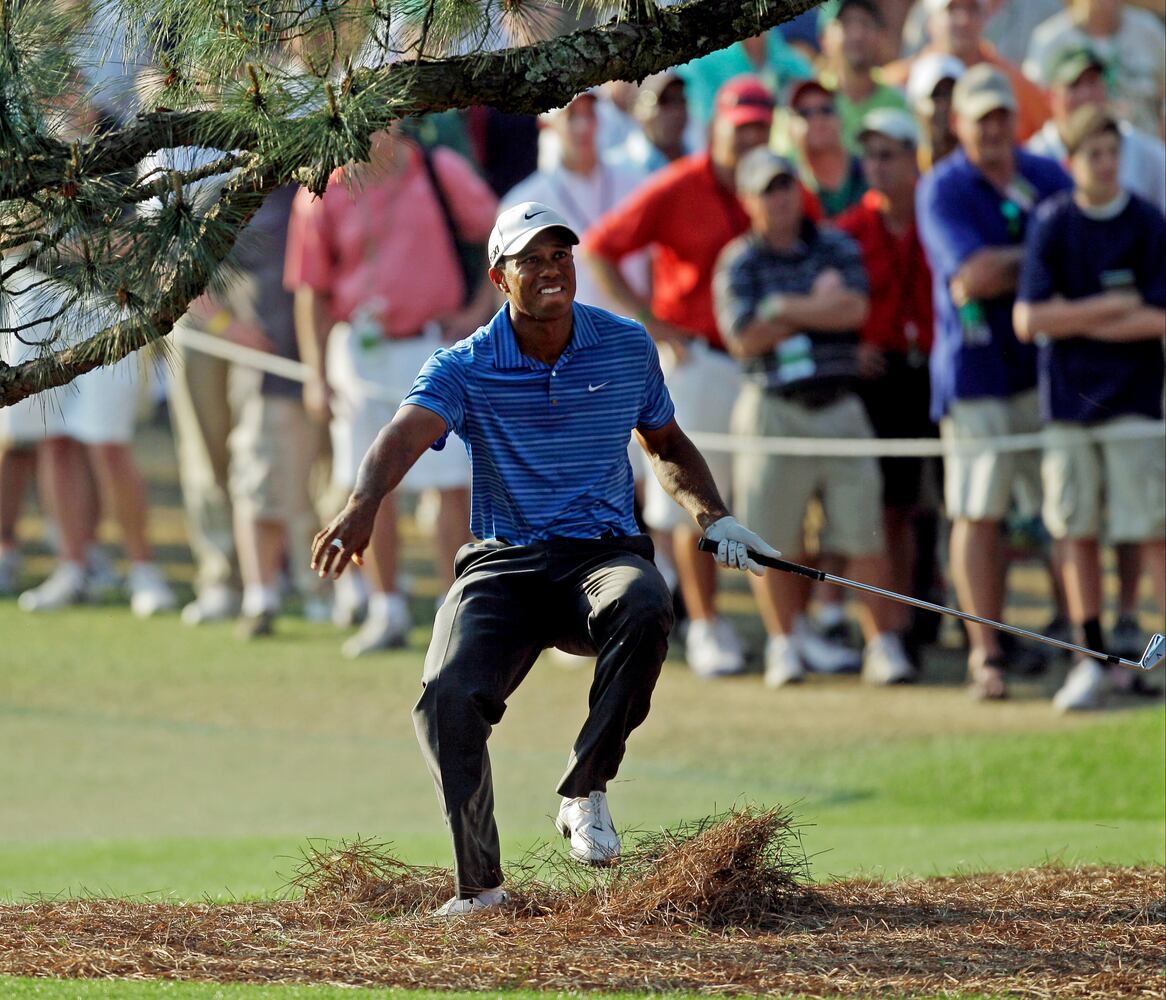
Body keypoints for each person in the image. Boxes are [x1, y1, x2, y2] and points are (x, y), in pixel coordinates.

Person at [310, 202, 778, 916]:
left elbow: (666, 444)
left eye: (561, 255)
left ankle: (585, 788)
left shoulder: (624, 344)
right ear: (500, 278)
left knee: (646, 600)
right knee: (445, 700)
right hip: (506, 564)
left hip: (601, 556)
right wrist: (362, 503)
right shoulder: (465, 365)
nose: (551, 269)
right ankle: (481, 889)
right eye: (531, 260)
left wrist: (715, 518)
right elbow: (402, 435)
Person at [582, 77, 834, 679]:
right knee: (692, 504)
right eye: (739, 127)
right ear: (716, 126)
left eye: (759, 127)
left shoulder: (780, 185)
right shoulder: (679, 183)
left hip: (769, 363)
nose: (748, 138)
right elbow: (599, 247)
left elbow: (817, 243)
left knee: (773, 497)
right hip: (698, 360)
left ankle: (789, 631)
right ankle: (706, 625)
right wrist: (650, 323)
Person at [285, 127, 499, 657]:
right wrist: (315, 375)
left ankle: (458, 610)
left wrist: (478, 311)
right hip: (359, 352)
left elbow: (500, 239)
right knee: (370, 487)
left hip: (433, 346)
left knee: (450, 486)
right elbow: (311, 290)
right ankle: (387, 608)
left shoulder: (438, 169)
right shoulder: (322, 188)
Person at [714, 148, 915, 688]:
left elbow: (854, 310)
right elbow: (744, 338)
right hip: (772, 409)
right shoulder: (738, 261)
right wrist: (808, 306)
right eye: (768, 190)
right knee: (769, 536)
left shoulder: (835, 244)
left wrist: (779, 308)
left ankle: (882, 643)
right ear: (748, 200)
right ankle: (784, 643)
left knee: (864, 532)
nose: (781, 198)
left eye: (786, 186)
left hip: (840, 406)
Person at [916, 64, 1072, 699]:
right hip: (975, 374)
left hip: (1043, 368)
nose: (993, 129)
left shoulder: (1047, 174)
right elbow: (971, 275)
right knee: (977, 514)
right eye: (981, 119)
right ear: (959, 124)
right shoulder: (943, 187)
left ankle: (1077, 639)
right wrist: (1041, 255)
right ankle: (986, 654)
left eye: (1002, 116)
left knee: (1063, 511)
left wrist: (1011, 264)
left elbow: (1079, 249)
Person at [1013, 105, 1165, 711]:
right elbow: (1029, 319)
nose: (1106, 165)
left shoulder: (1148, 221)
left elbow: (1158, 317)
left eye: (1112, 153)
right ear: (1071, 161)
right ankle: (1090, 656)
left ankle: (1148, 644)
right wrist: (1110, 308)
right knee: (1074, 530)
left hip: (1135, 401)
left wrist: (1071, 318)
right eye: (1093, 154)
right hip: (1068, 405)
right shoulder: (1052, 221)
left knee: (1149, 529)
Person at [836, 108, 942, 663]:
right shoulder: (849, 229)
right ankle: (894, 626)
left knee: (944, 506)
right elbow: (828, 305)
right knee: (890, 508)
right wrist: (849, 349)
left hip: (938, 372)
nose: (876, 166)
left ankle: (937, 614)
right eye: (869, 155)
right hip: (880, 379)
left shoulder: (938, 213)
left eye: (888, 155)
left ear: (912, 158)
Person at [225, 185, 330, 638]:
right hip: (271, 373)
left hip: (342, 368)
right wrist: (227, 326)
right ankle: (261, 598)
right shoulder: (243, 195)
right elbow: (186, 271)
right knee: (261, 487)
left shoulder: (339, 187)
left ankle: (332, 593)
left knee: (336, 492)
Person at [884, 0, 1051, 142]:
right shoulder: (895, 82)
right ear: (930, 20)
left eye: (973, 9)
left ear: (987, 17)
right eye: (952, 10)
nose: (964, 20)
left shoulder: (1015, 85)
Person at [1027, 46, 1166, 214]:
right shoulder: (1034, 155)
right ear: (1050, 96)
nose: (1086, 95)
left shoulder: (1146, 152)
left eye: (1092, 82)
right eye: (1074, 85)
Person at [1024, 0, 1166, 137]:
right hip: (1073, 147)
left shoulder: (1150, 32)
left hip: (1144, 143)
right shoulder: (1049, 39)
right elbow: (1032, 105)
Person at [817, 0, 910, 152]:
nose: (857, 35)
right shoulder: (809, 99)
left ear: (881, 36)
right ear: (824, 39)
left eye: (866, 23)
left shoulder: (898, 101)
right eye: (846, 23)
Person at [785, 78, 868, 219]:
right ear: (790, 128)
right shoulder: (786, 182)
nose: (818, 120)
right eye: (805, 113)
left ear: (840, 119)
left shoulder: (869, 169)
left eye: (825, 110)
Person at [609, 71, 694, 174]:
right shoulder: (618, 168)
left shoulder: (699, 154)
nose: (676, 111)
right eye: (664, 101)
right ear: (639, 109)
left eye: (681, 100)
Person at [906, 52, 966, 169]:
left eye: (952, 95)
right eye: (936, 96)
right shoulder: (902, 167)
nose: (945, 106)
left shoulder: (984, 167)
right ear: (915, 106)